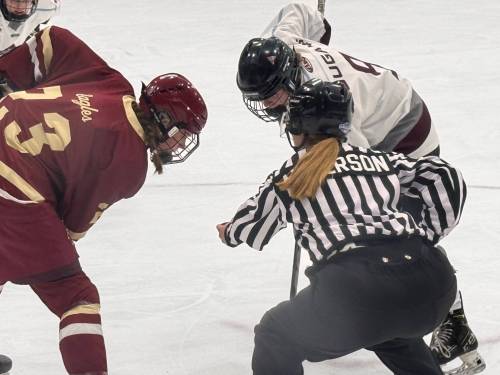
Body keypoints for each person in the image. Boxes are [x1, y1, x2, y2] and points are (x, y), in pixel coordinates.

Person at [235, 4, 484, 373]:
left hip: (404, 130)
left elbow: (350, 177)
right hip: (379, 108)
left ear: (289, 75)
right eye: (259, 97)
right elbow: (302, 10)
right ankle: (415, 317)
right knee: (382, 250)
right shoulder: (282, 44)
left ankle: (451, 322)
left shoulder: (340, 117)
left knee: (382, 233)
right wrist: (319, 31)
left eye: (272, 95)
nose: (267, 104)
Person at [217, 79, 465, 375]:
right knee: (390, 330)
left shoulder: (293, 174)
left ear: (296, 125)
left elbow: (250, 227)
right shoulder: (378, 160)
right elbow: (445, 175)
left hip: (356, 293)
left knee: (275, 334)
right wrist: (426, 237)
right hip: (432, 284)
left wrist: (229, 231)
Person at [0, 27, 207, 375]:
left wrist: (10, 70)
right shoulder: (129, 162)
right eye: (183, 134)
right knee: (77, 296)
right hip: (12, 182)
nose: (180, 145)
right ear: (166, 121)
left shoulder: (114, 85)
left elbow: (53, 40)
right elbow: (71, 224)